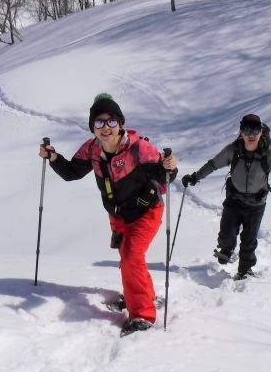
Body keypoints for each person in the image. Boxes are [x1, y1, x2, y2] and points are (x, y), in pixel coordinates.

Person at [39, 93, 178, 335]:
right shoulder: (92, 149)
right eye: (99, 123)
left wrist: (170, 167)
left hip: (147, 209)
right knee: (127, 257)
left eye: (111, 121)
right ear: (93, 126)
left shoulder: (139, 148)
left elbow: (163, 174)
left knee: (133, 255)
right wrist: (52, 156)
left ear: (120, 124)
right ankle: (141, 296)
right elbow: (72, 171)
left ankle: (143, 315)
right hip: (118, 214)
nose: (106, 128)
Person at [181, 114, 271, 280]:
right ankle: (227, 249)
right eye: (247, 130)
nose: (251, 134)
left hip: (256, 203)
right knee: (226, 233)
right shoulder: (233, 150)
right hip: (234, 199)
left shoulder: (268, 153)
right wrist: (195, 177)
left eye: (255, 130)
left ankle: (245, 270)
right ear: (241, 131)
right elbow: (213, 164)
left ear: (260, 131)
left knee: (249, 240)